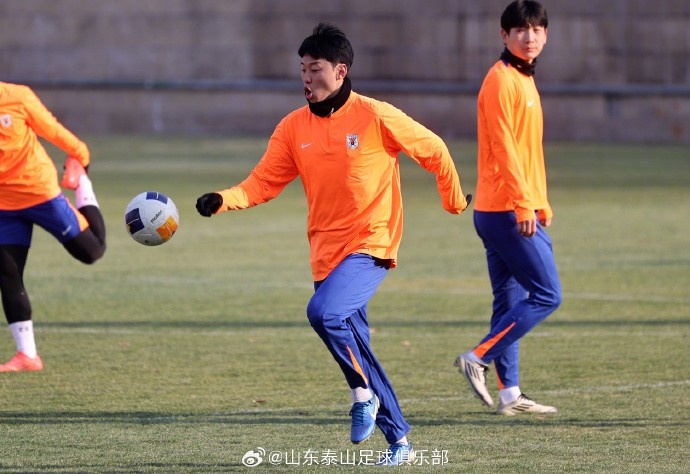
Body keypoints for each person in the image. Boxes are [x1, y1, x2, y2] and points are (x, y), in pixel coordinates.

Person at [196, 23, 471, 466]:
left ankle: (363, 394)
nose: (306, 78)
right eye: (302, 69)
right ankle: (400, 442)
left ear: (340, 71)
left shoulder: (375, 115)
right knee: (357, 345)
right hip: (326, 254)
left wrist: (454, 200)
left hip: (372, 243)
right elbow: (263, 182)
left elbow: (434, 150)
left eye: (315, 69)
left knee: (323, 313)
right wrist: (223, 199)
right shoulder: (292, 127)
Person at [454, 0, 561, 416]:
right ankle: (478, 357)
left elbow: (529, 151)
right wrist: (523, 204)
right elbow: (504, 151)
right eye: (520, 30)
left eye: (536, 29)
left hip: (505, 208)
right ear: (504, 35)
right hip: (505, 210)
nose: (529, 37)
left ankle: (510, 395)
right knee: (547, 294)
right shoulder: (501, 80)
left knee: (509, 303)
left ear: (546, 34)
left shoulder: (523, 77)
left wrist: (540, 200)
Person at [0, 82, 106, 372]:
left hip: (40, 193)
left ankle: (83, 185)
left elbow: (53, 130)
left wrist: (80, 156)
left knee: (91, 252)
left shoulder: (17, 97)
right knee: (8, 274)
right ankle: (27, 356)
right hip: (4, 206)